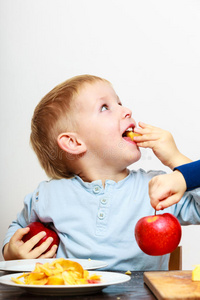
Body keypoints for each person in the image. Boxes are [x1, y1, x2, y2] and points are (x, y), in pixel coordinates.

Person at [2, 75, 200, 271]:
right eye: (105, 107)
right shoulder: (48, 195)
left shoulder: (159, 187)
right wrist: (11, 253)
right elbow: (18, 226)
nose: (127, 110)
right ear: (74, 142)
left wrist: (177, 160)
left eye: (120, 102)